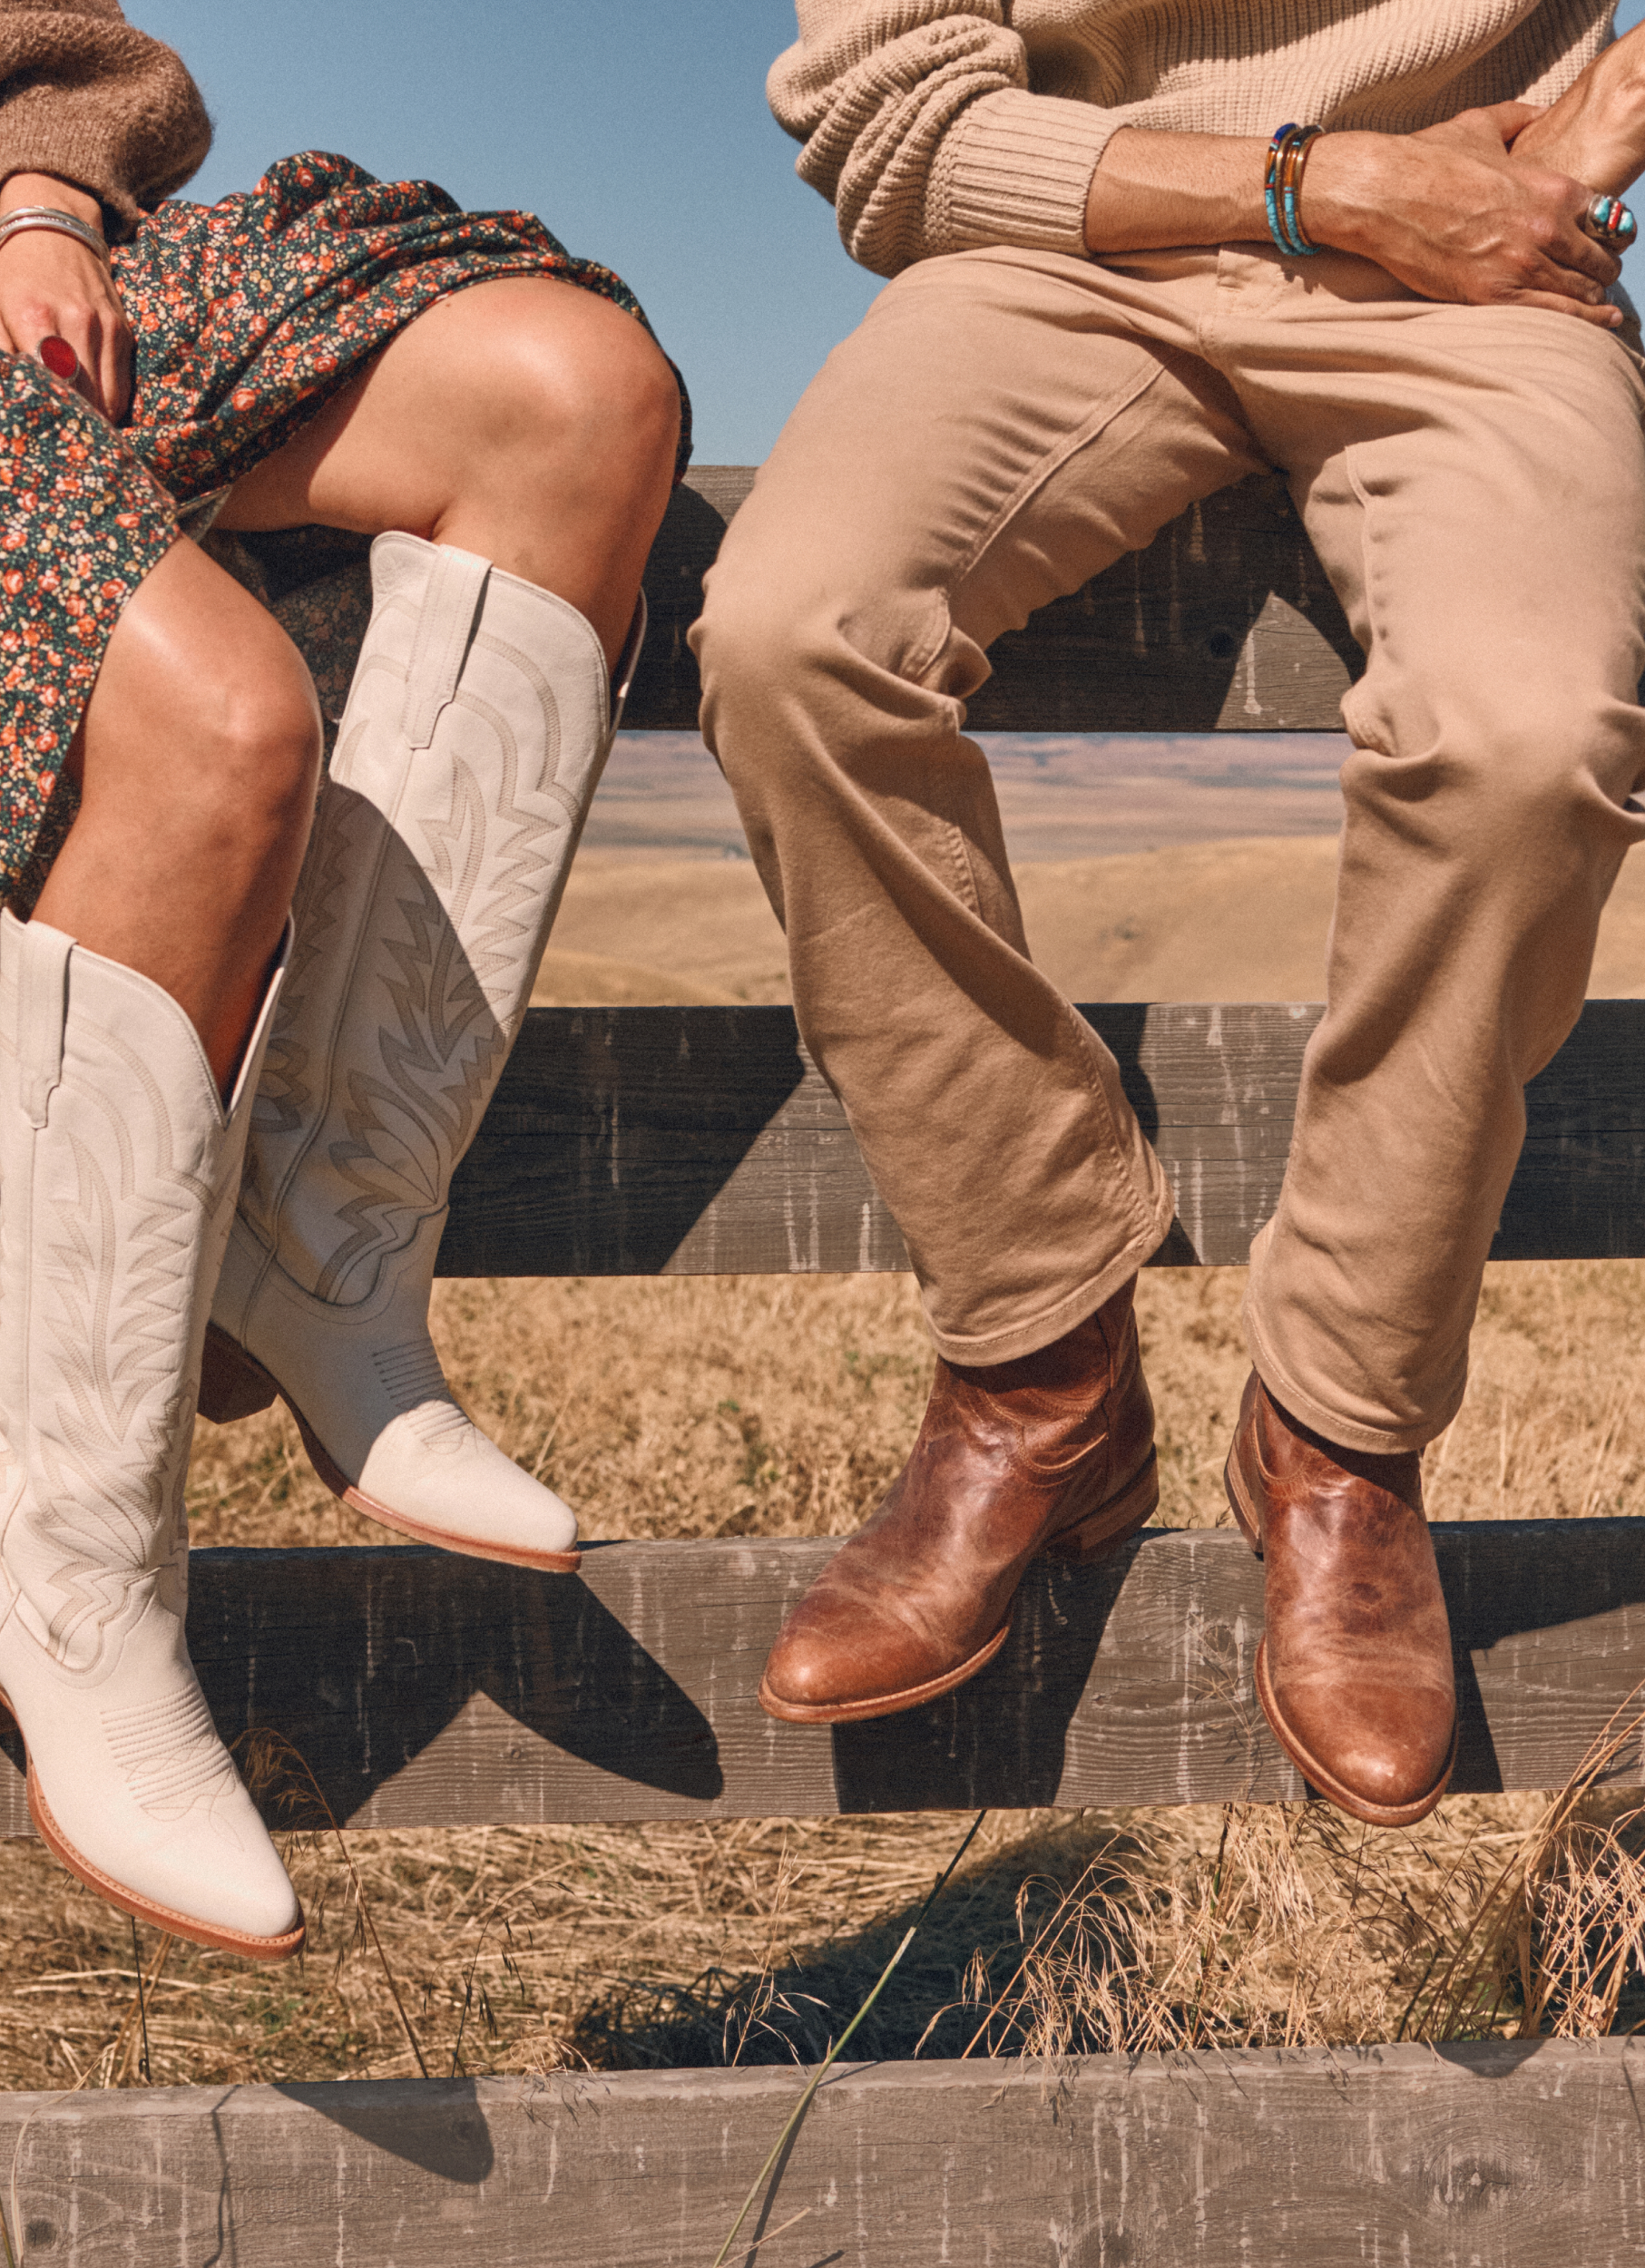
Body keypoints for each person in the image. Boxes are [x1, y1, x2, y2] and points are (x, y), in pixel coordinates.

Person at [693, 0, 1645, 1826]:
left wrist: (1590, 131)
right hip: (1078, 248)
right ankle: (1037, 1361)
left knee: (1528, 741)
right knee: (790, 637)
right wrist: (1321, 182)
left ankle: (1335, 1439)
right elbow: (894, 138)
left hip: (1481, 273)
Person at [0, 0, 683, 1955]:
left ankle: (327, 1225)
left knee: (574, 392)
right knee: (225, 723)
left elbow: (22, 36)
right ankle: (68, 1577)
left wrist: (45, 196)